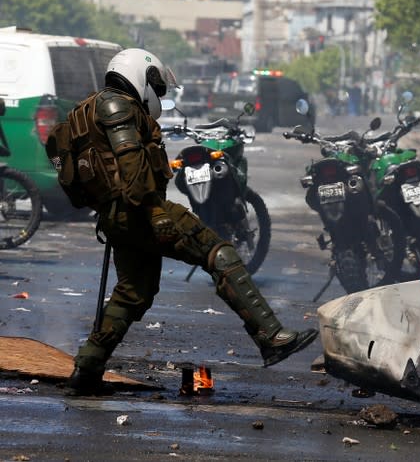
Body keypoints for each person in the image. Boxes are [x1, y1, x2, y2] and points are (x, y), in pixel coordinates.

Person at [60, 48, 317, 395]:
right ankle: (271, 337)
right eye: (156, 84)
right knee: (218, 253)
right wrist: (152, 211)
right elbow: (133, 168)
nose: (158, 93)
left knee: (133, 293)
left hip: (116, 216)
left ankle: (87, 369)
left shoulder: (91, 108)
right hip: (140, 210)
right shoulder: (118, 106)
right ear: (139, 75)